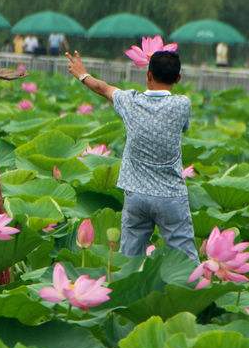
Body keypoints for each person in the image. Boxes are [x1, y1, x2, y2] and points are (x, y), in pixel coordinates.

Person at [65, 48, 198, 263]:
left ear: (148, 75)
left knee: (128, 260)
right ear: (178, 78)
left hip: (136, 195)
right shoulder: (182, 104)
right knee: (186, 262)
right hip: (170, 196)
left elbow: (102, 88)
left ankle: (126, 292)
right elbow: (183, 129)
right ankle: (193, 294)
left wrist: (81, 73)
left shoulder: (130, 102)